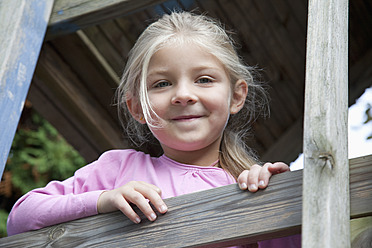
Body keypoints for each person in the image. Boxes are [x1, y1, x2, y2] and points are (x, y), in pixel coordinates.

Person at [7, 11, 299, 247]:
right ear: (137, 107)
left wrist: (285, 197)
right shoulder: (117, 170)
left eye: (204, 79)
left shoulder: (248, 187)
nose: (183, 95)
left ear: (236, 96)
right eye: (162, 83)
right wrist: (102, 200)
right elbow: (20, 219)